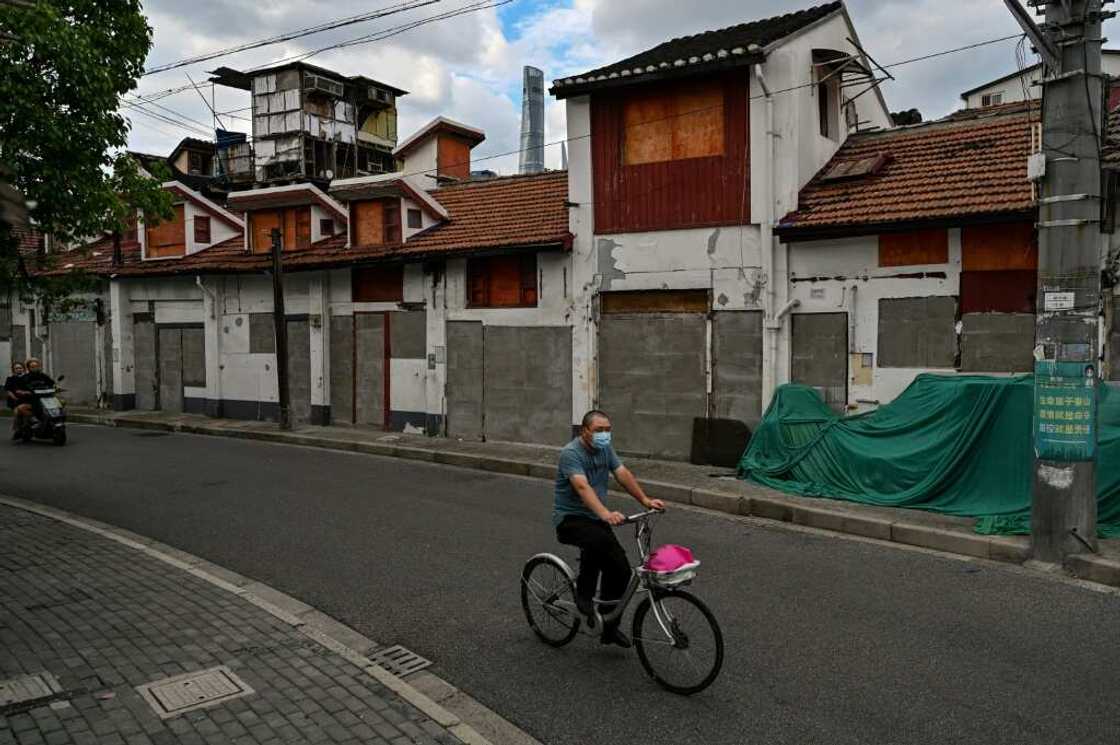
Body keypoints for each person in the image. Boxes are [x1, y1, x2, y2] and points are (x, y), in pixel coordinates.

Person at [554, 409, 665, 648]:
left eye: (607, 430)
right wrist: (605, 513)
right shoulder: (571, 453)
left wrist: (645, 500)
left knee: (621, 570)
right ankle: (583, 596)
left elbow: (622, 474)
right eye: (599, 430)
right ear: (584, 431)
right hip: (570, 519)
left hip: (595, 519)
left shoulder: (605, 450)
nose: (604, 434)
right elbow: (582, 487)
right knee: (598, 543)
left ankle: (608, 625)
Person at [5, 361, 31, 439]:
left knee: (25, 412)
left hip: (26, 399)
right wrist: (15, 398)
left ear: (23, 369)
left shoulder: (27, 377)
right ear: (13, 370)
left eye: (20, 368)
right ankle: (18, 430)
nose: (19, 369)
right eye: (16, 368)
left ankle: (26, 427)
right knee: (17, 412)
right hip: (15, 400)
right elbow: (8, 391)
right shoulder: (10, 379)